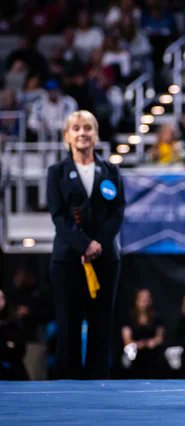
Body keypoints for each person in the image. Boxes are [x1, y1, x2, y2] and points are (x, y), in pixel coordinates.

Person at [47, 110, 125, 379]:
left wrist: (97, 245)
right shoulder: (56, 172)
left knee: (101, 323)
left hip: (105, 259)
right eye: (76, 128)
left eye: (88, 128)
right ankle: (65, 385)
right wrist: (83, 245)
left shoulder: (111, 171)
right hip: (68, 259)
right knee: (67, 323)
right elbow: (58, 215)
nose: (82, 133)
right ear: (67, 136)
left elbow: (117, 212)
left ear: (96, 134)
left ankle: (99, 381)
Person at [121, 288, 167, 378]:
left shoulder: (157, 318)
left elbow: (160, 338)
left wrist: (153, 342)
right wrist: (139, 344)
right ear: (136, 300)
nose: (144, 300)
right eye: (141, 297)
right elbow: (127, 340)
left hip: (152, 354)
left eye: (147, 298)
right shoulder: (129, 318)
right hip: (135, 355)